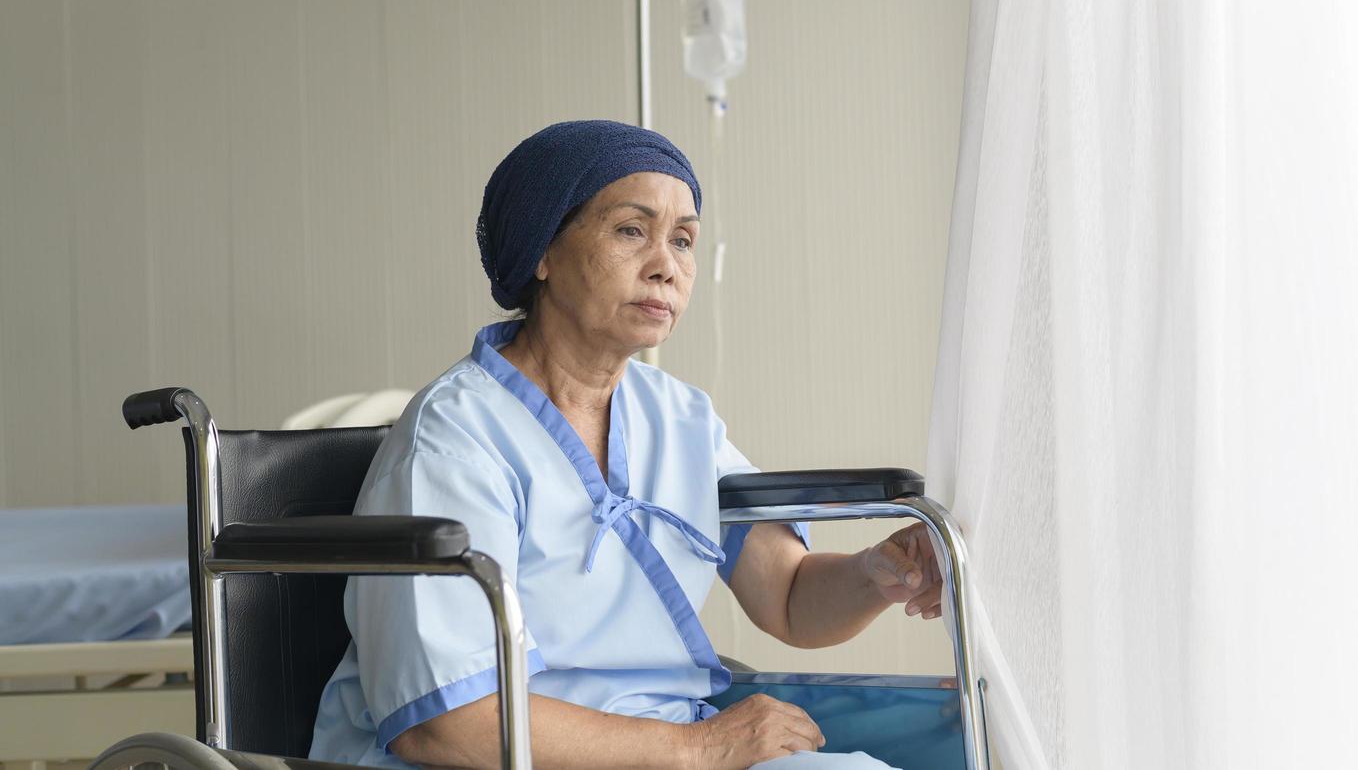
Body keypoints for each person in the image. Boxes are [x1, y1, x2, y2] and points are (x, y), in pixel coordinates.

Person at [309, 121, 947, 769]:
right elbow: (446, 723)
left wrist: (874, 575)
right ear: (542, 252)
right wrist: (695, 748)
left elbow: (787, 598)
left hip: (662, 746)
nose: (666, 266)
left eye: (683, 240)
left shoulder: (680, 418)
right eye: (630, 231)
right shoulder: (454, 440)